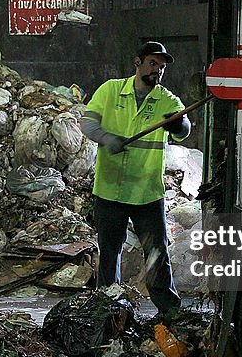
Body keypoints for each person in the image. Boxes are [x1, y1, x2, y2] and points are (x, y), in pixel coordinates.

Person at [79, 41, 190, 316]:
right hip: (110, 190)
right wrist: (106, 138)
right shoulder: (111, 90)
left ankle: (169, 310)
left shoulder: (165, 99)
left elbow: (184, 129)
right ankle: (108, 306)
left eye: (162, 67)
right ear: (137, 62)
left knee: (156, 254)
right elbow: (87, 122)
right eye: (153, 63)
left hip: (146, 192)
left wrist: (178, 124)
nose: (158, 71)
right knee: (109, 253)